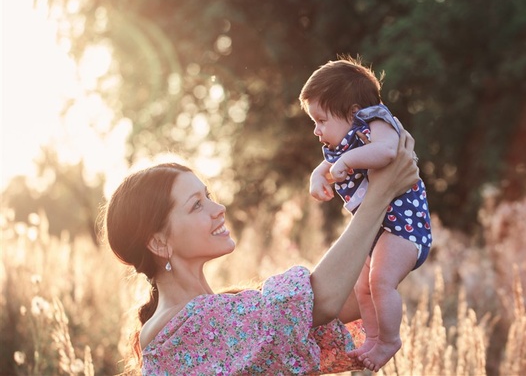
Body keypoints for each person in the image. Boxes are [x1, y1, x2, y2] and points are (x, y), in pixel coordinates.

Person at [100, 126, 419, 375]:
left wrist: (380, 181)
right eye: (197, 205)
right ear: (158, 242)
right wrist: (379, 195)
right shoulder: (182, 328)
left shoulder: (223, 311)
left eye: (208, 195)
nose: (219, 208)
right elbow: (319, 303)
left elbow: (346, 300)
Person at [299, 58, 432, 371]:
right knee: (361, 288)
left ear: (353, 111)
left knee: (380, 281)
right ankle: (372, 337)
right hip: (380, 230)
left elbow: (387, 152)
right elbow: (325, 167)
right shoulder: (339, 146)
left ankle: (389, 339)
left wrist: (349, 161)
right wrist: (317, 178)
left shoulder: (377, 123)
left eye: (321, 120)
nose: (316, 130)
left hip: (406, 229)